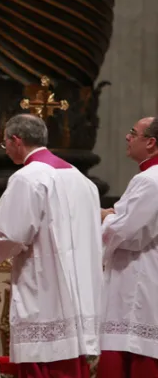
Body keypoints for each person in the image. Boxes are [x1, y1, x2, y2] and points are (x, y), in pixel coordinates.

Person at [0, 113, 103, 378]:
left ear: (16, 140)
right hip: (79, 294)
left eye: (5, 143)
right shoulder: (82, 180)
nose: (5, 150)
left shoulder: (27, 178)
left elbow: (10, 235)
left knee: (43, 364)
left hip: (44, 289)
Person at [97, 116, 158, 378]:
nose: (127, 136)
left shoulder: (150, 180)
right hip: (141, 274)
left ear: (152, 143)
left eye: (134, 133)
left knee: (131, 354)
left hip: (138, 278)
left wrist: (105, 217)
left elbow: (128, 233)